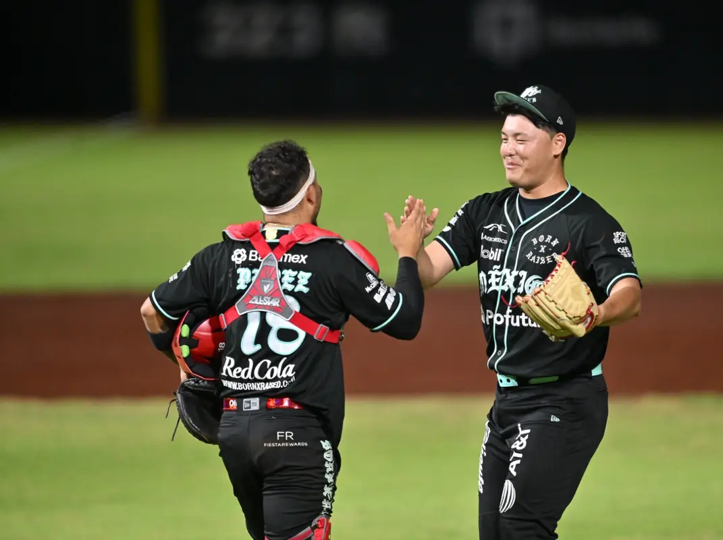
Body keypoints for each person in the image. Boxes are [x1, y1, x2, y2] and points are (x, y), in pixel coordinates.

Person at [139, 139, 428, 540]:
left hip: (236, 430)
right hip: (298, 434)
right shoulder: (333, 259)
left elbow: (152, 312)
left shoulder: (218, 257)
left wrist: (190, 371)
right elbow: (405, 319)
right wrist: (408, 253)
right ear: (311, 193)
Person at [401, 84, 643, 539]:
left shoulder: (589, 223)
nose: (507, 150)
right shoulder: (484, 212)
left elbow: (629, 293)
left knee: (520, 528)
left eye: (521, 139)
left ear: (557, 144)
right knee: (493, 531)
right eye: (504, 138)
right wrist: (409, 252)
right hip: (507, 402)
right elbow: (430, 270)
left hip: (564, 401)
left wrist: (597, 313)